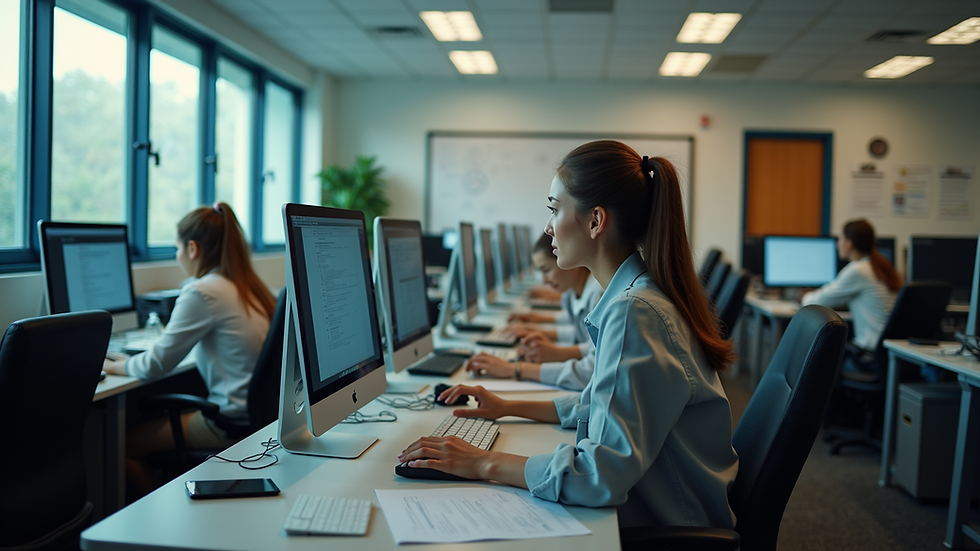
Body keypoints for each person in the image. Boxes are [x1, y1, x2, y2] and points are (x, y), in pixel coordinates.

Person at [399, 141, 738, 529]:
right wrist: (507, 406)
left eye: (554, 209)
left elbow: (600, 477)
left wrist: (481, 462)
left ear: (595, 221)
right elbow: (600, 406)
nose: (548, 226)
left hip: (674, 525)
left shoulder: (635, 310)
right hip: (660, 501)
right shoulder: (636, 296)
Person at [104, 202, 276, 491]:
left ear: (193, 249)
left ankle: (152, 529)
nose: (178, 256)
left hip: (229, 424)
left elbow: (155, 365)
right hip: (261, 418)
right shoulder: (251, 287)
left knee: (119, 444)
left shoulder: (203, 290)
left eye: (178, 249)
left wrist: (112, 365)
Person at [466, 232, 602, 390]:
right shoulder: (572, 292)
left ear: (572, 260)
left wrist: (516, 369)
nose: (544, 281)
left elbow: (591, 367)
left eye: (547, 269)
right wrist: (536, 327)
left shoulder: (598, 295)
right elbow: (585, 336)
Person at [801, 219, 900, 354]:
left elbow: (815, 302)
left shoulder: (858, 270)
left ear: (849, 243)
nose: (837, 244)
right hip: (887, 349)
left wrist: (803, 296)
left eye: (840, 239)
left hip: (870, 352)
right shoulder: (880, 265)